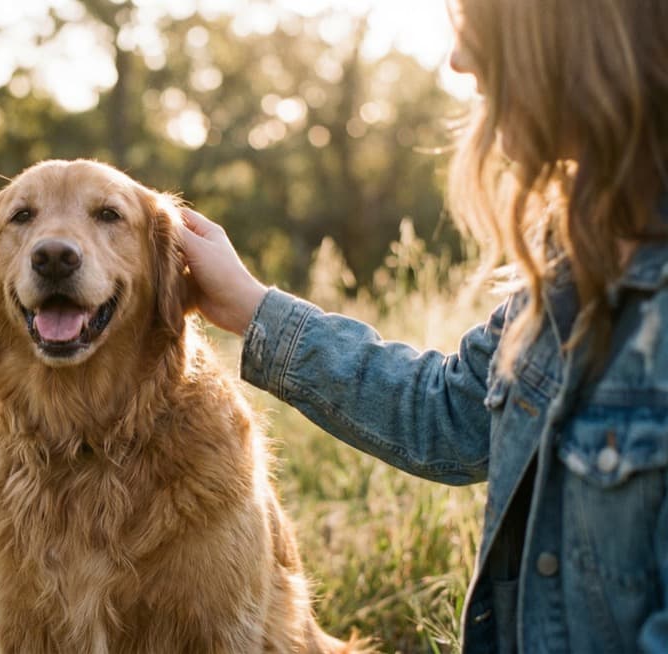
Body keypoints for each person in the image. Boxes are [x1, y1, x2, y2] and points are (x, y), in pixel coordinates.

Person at [178, 0, 668, 652]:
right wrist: (252, 306)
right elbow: (452, 414)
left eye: (479, 29)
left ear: (572, 37)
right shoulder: (571, 260)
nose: (457, 59)